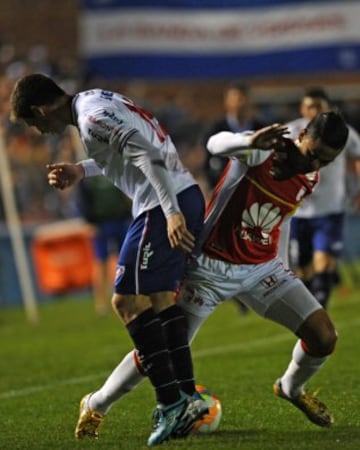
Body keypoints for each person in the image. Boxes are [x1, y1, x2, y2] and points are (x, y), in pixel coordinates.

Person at [66, 111, 349, 438]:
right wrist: (247, 140)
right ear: (301, 137)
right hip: (209, 269)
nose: (316, 164)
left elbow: (278, 218)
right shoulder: (264, 150)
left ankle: (290, 387)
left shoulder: (310, 177)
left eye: (325, 161)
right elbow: (215, 145)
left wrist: (281, 261)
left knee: (324, 336)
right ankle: (97, 403)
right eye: (313, 154)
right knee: (160, 350)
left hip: (262, 270)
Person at [9, 73, 209, 446]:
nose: (37, 132)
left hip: (161, 204)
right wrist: (80, 170)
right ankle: (188, 398)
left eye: (32, 123)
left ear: (39, 109)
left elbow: (148, 155)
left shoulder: (91, 116)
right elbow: (128, 148)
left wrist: (171, 212)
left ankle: (171, 403)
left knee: (126, 301)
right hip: (176, 195)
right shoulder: (94, 102)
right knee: (162, 300)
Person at [286, 87, 360, 308]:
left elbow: (358, 157)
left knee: (323, 264)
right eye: (309, 107)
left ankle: (320, 313)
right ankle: (310, 315)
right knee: (303, 270)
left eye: (319, 107)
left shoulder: (342, 132)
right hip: (298, 211)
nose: (314, 111)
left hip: (331, 209)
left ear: (328, 109)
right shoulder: (293, 131)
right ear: (302, 109)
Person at [78, 176, 132, 315]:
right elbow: (83, 198)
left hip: (121, 219)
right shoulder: (88, 175)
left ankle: (128, 295)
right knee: (100, 262)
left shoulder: (115, 166)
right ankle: (101, 302)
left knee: (127, 260)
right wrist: (89, 221)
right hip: (100, 224)